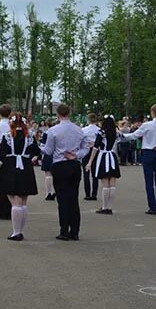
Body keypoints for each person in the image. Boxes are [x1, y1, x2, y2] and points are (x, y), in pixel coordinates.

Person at [0, 113, 40, 240]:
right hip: (25, 168)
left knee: (15, 201)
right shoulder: (29, 135)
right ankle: (20, 230)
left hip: (10, 168)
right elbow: (37, 152)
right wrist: (29, 159)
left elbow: (0, 157)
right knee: (23, 201)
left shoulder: (8, 136)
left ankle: (16, 232)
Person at [41, 103, 90, 241]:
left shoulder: (53, 131)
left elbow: (49, 151)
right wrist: (77, 155)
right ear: (69, 113)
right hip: (74, 164)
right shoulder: (79, 130)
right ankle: (75, 231)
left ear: (58, 114)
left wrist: (40, 147)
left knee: (62, 199)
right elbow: (86, 147)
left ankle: (64, 229)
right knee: (73, 198)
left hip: (60, 164)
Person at [122, 104, 156, 215]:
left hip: (148, 152)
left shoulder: (147, 125)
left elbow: (134, 135)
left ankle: (152, 206)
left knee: (149, 181)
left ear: (152, 112)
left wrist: (122, 135)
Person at [86, 115, 122, 215]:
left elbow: (95, 148)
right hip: (112, 156)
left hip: (103, 156)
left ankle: (104, 207)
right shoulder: (116, 133)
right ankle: (110, 207)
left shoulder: (101, 133)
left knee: (105, 183)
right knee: (112, 184)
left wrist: (90, 162)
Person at [81, 113, 100, 201]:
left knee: (86, 173)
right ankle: (94, 194)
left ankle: (87, 194)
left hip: (86, 149)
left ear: (88, 120)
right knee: (95, 173)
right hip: (96, 150)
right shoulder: (99, 130)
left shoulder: (84, 130)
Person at [40, 119, 56, 201]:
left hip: (47, 154)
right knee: (55, 174)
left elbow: (42, 145)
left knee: (48, 174)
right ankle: (53, 191)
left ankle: (48, 192)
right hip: (56, 154)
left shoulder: (46, 133)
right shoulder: (57, 132)